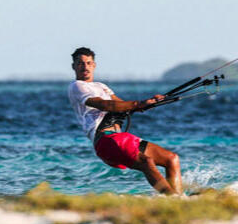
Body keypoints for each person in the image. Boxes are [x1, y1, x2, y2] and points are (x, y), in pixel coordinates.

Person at [67, 46, 182, 195]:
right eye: (80, 63)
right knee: (147, 162)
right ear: (74, 67)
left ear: (94, 65)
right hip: (106, 140)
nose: (85, 67)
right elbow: (105, 105)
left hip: (120, 138)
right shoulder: (77, 86)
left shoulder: (101, 86)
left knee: (171, 159)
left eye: (89, 63)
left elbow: (122, 106)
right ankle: (173, 199)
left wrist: (150, 102)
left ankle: (180, 198)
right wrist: (138, 104)